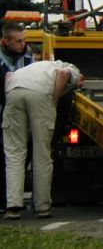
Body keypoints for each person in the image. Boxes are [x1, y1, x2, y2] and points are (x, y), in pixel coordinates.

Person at [2, 60, 84, 219]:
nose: (80, 84)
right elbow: (64, 74)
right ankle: (43, 207)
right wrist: (54, 100)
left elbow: (8, 76)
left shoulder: (38, 67)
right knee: (42, 153)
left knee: (14, 153)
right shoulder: (71, 68)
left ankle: (13, 206)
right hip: (41, 95)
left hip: (14, 91)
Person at [0, 22, 35, 214]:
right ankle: (5, 201)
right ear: (6, 42)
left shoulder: (28, 57)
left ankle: (13, 200)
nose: (23, 44)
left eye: (24, 40)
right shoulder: (1, 61)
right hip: (5, 116)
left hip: (24, 117)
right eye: (18, 41)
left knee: (22, 157)